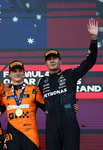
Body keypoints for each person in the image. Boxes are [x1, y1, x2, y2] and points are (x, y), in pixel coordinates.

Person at [37, 18, 98, 150]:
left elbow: (89, 62)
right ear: (45, 64)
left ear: (61, 61)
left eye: (55, 58)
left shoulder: (70, 74)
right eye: (49, 59)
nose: (52, 61)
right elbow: (35, 100)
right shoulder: (42, 82)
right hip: (51, 128)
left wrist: (93, 39)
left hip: (70, 125)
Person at [1, 60, 45, 150]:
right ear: (9, 74)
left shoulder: (34, 90)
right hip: (12, 135)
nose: (17, 73)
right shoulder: (4, 93)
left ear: (24, 73)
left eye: (20, 71)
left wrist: (68, 108)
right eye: (14, 71)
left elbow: (50, 109)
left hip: (31, 135)